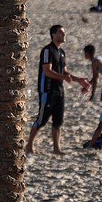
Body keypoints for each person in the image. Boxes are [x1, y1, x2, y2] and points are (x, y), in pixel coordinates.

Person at [26, 25, 89, 155]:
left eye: (64, 32)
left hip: (59, 90)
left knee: (58, 120)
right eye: (60, 32)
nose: (63, 35)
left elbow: (64, 72)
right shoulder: (47, 50)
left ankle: (56, 148)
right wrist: (64, 78)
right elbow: (47, 71)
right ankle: (29, 145)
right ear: (53, 35)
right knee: (42, 119)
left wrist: (78, 80)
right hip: (47, 89)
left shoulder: (61, 52)